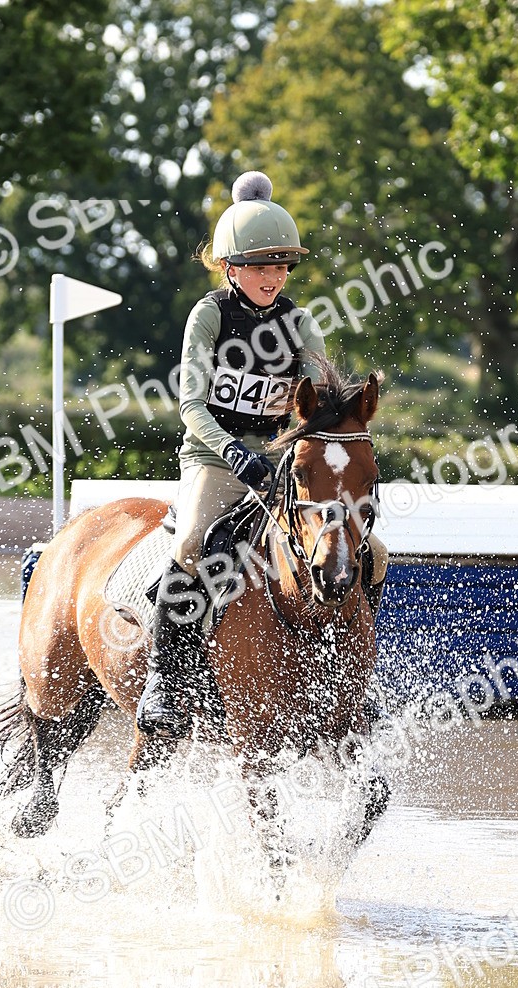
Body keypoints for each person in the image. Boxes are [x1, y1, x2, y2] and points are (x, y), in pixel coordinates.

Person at [136, 171, 386, 739]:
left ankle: (352, 677)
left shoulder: (299, 324)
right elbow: (191, 405)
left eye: (281, 266)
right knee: (194, 541)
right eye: (260, 265)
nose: (273, 276)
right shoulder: (209, 317)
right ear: (231, 267)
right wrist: (231, 452)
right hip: (213, 459)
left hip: (280, 463)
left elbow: (319, 409)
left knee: (374, 552)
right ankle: (165, 679)